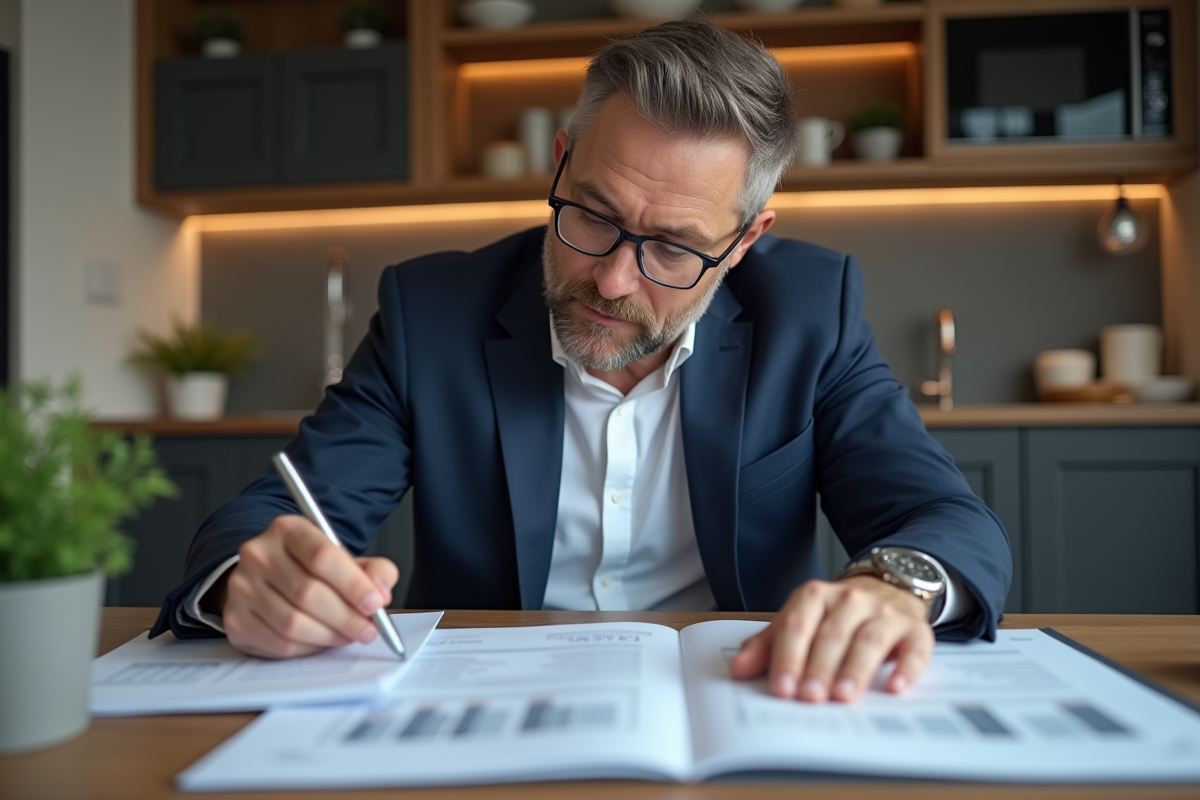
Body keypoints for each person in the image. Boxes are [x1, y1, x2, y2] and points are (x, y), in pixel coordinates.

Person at [152, 19, 1011, 705]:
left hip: (744, 698)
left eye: (674, 248)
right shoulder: (432, 315)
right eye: (593, 215)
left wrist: (895, 588)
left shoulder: (808, 315)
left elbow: (945, 519)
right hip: (485, 710)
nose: (611, 278)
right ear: (559, 162)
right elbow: (273, 512)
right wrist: (249, 582)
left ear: (746, 240)